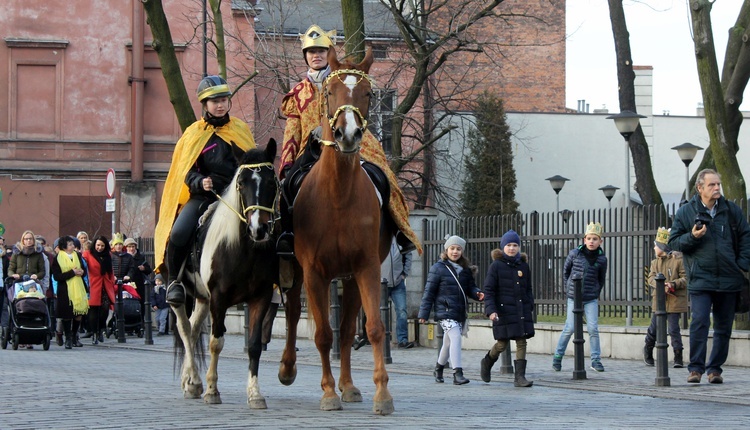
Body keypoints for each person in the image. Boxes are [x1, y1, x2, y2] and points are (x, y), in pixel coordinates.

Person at [276, 24, 420, 258]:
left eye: (321, 51)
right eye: (311, 52)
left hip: (349, 138)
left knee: (384, 175)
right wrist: (287, 161)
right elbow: (292, 129)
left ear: (328, 54)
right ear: (305, 57)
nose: (316, 56)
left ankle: (399, 230)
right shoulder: (298, 93)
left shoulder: (344, 79)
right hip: (312, 148)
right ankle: (287, 236)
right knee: (288, 186)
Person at [153, 75, 256, 306]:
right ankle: (175, 282)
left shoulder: (240, 130)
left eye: (223, 100)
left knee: (263, 223)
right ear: (205, 105)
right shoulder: (193, 134)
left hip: (237, 198)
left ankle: (269, 278)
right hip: (204, 196)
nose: (220, 105)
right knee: (179, 233)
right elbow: (185, 172)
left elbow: (251, 165)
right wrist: (201, 182)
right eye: (214, 101)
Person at [668, 169, 750, 384]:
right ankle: (695, 369)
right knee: (700, 322)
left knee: (723, 327)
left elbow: (745, 236)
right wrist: (692, 237)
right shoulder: (686, 212)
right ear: (700, 188)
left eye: (718, 185)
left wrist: (741, 263)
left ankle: (715, 370)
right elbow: (674, 242)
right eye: (712, 185)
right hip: (701, 278)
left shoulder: (731, 211)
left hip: (729, 278)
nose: (716, 188)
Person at [418, 235, 484, 385]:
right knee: (455, 337)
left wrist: (477, 293)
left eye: (458, 249)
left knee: (448, 343)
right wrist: (424, 313)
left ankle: (438, 368)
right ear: (446, 250)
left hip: (459, 311)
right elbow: (429, 292)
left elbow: (470, 288)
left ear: (462, 251)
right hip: (445, 311)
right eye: (452, 248)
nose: (455, 252)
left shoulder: (465, 270)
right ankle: (457, 373)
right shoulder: (438, 268)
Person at [479, 230, 535, 387]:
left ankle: (519, 377)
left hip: (520, 311)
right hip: (503, 311)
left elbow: (528, 288)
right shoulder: (496, 266)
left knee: (521, 341)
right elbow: (489, 291)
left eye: (515, 245)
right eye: (509, 245)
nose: (512, 248)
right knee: (502, 344)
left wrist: (529, 304)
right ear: (503, 247)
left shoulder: (523, 266)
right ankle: (487, 362)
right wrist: (491, 310)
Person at [552, 222, 608, 373]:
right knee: (570, 327)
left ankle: (596, 360)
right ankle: (558, 356)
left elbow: (601, 279)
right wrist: (569, 289)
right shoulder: (574, 254)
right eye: (589, 238)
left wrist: (596, 292)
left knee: (593, 328)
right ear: (584, 239)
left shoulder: (602, 259)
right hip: (573, 297)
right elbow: (566, 272)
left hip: (590, 297)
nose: (591, 241)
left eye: (595, 239)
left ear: (600, 241)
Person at [643, 227, 687, 368]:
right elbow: (650, 278)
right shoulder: (655, 263)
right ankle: (648, 349)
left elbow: (685, 278)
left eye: (656, 245)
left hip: (674, 299)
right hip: (659, 300)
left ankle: (678, 355)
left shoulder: (678, 260)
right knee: (654, 328)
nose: (654, 248)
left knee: (674, 329)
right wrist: (660, 285)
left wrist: (672, 284)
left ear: (662, 247)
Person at [51, 236, 89, 349]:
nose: (73, 246)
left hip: (78, 288)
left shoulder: (78, 255)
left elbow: (84, 270)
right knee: (67, 315)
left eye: (73, 244)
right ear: (64, 247)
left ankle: (74, 336)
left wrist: (82, 272)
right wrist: (72, 273)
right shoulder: (58, 258)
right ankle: (67, 337)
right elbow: (57, 276)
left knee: (78, 314)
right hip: (65, 290)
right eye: (70, 244)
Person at [381, 236, 414, 349]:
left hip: (398, 283)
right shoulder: (379, 237)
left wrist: (404, 273)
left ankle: (402, 340)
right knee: (379, 312)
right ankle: (379, 339)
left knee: (402, 311)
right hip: (380, 283)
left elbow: (408, 254)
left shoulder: (400, 238)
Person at [83, 236, 116, 344]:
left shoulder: (108, 255)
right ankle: (95, 333)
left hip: (105, 285)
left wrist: (111, 281)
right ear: (94, 244)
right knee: (93, 311)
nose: (100, 248)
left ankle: (101, 328)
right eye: (98, 245)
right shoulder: (88, 254)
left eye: (102, 245)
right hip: (93, 285)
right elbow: (84, 267)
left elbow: (110, 271)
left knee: (105, 310)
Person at [261, 284, 282, 350]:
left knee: (291, 317)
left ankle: (291, 343)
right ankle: (263, 341)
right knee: (268, 317)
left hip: (285, 287)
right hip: (272, 289)